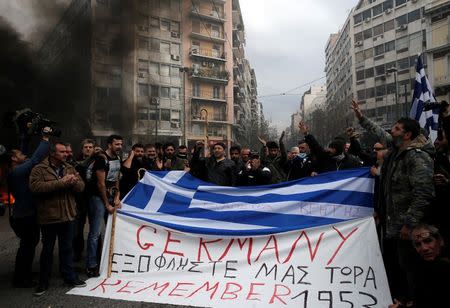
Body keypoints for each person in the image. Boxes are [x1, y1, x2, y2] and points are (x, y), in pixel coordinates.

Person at [351, 100, 435, 302]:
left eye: (396, 128)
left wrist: (409, 224)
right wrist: (361, 118)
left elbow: (423, 194)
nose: (392, 131)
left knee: (412, 275)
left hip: (410, 232)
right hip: (395, 227)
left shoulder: (416, 157)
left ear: (407, 135)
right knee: (398, 270)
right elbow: (380, 133)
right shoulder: (398, 151)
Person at [29, 142, 86, 296]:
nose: (66, 154)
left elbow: (81, 187)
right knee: (47, 250)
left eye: (66, 152)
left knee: (67, 249)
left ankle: (70, 277)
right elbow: (35, 188)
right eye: (62, 152)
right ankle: (43, 282)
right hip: (49, 217)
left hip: (68, 215)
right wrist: (61, 183)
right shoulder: (39, 169)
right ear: (53, 153)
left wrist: (74, 183)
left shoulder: (68, 167)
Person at [7, 132, 49, 288]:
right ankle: (21, 278)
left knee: (28, 245)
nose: (23, 154)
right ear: (13, 159)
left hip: (24, 214)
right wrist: (45, 140)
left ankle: (24, 273)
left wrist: (25, 135)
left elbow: (24, 156)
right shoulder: (17, 172)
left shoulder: (16, 170)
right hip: (25, 215)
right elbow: (34, 160)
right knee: (27, 246)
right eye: (19, 154)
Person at [85, 134, 122, 277]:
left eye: (120, 144)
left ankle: (108, 259)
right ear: (109, 144)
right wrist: (107, 203)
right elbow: (100, 184)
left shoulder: (117, 158)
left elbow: (117, 178)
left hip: (111, 196)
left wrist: (117, 197)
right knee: (95, 233)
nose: (119, 147)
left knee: (111, 229)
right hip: (98, 198)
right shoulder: (101, 159)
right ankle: (91, 265)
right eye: (116, 144)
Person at [390, 224, 450, 308]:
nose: (424, 248)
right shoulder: (422, 269)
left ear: (440, 241)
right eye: (418, 244)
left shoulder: (443, 268)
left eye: (428, 241)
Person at [72, 138, 95, 261]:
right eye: (86, 147)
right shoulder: (75, 163)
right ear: (82, 149)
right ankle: (77, 253)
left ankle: (95, 254)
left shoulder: (98, 161)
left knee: (95, 229)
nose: (88, 149)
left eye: (90, 147)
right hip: (79, 200)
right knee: (77, 229)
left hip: (93, 199)